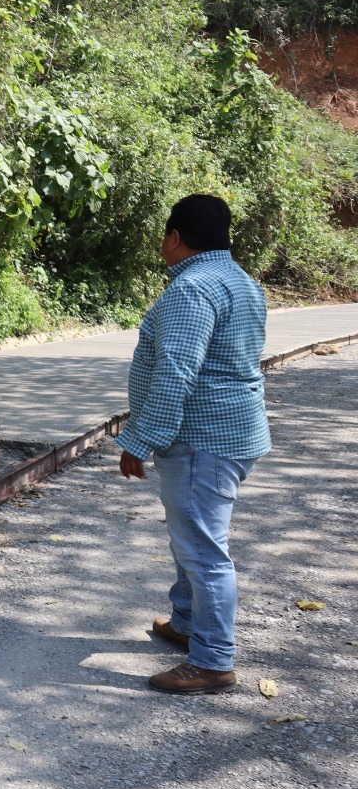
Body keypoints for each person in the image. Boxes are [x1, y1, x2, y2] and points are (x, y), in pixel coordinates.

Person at [115, 194, 270, 695]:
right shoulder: (242, 282)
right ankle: (185, 623)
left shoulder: (192, 288)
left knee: (203, 551)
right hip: (232, 434)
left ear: (175, 237)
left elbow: (175, 373)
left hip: (202, 440)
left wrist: (139, 440)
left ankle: (212, 661)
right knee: (190, 536)